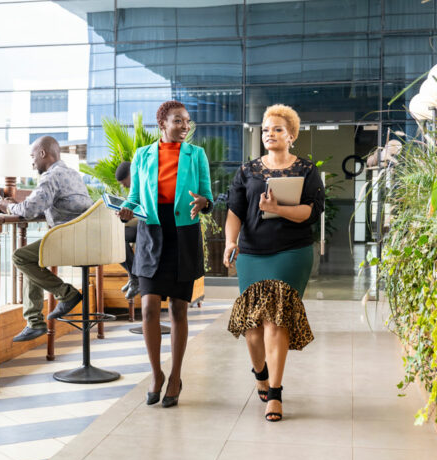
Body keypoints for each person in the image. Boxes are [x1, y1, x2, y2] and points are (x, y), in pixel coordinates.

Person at [223, 104, 325, 421]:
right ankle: (260, 375)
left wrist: (278, 209)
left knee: (276, 319)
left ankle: (276, 395)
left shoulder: (306, 170)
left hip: (290, 252)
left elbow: (311, 212)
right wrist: (230, 241)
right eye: (266, 130)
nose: (270, 134)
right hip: (252, 253)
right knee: (253, 329)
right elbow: (235, 212)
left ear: (291, 135)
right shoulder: (247, 171)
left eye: (277, 129)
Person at [118, 100, 213, 408]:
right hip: (151, 234)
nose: (185, 126)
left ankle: (175, 376)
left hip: (183, 234)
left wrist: (202, 203)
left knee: (179, 311)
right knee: (148, 308)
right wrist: (126, 209)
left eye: (187, 121)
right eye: (178, 121)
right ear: (162, 124)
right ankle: (156, 373)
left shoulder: (196, 155)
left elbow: (208, 197)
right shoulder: (142, 155)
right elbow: (134, 196)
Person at [0, 136, 94, 342]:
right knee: (32, 258)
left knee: (20, 257)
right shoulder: (73, 174)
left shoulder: (52, 176)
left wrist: (8, 207)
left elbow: (30, 210)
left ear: (43, 153)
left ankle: (65, 294)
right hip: (85, 239)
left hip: (70, 240)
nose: (32, 163)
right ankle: (34, 322)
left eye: (33, 157)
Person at [114, 161, 139, 299]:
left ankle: (135, 278)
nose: (123, 186)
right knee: (115, 238)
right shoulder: (133, 191)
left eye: (124, 182)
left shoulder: (143, 185)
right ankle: (134, 277)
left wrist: (129, 219)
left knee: (118, 235)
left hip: (151, 228)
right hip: (140, 227)